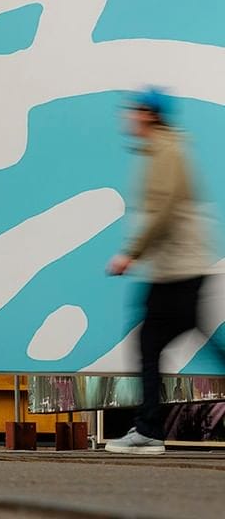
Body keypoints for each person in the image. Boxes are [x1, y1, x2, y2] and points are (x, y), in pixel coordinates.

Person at [106, 88, 220, 455]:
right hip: (178, 268)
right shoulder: (162, 149)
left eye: (134, 111)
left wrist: (130, 254)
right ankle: (148, 427)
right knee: (178, 340)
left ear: (149, 114)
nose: (128, 117)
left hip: (177, 270)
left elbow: (164, 210)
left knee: (150, 343)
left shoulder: (166, 151)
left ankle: (149, 430)